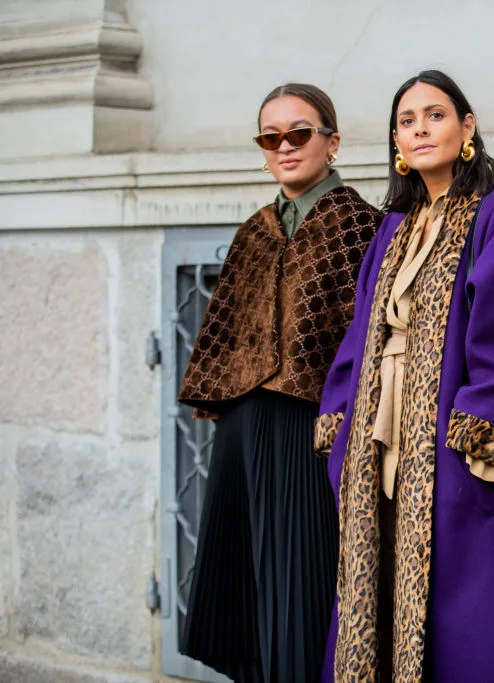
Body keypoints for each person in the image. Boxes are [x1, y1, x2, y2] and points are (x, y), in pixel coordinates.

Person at [316, 70, 494, 683]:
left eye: (435, 116)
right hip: (381, 440)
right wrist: (343, 427)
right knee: (382, 587)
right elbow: (362, 335)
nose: (420, 130)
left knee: (463, 605)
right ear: (395, 143)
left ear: (467, 128)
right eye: (407, 121)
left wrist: (469, 435)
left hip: (453, 445)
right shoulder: (393, 227)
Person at [177, 83, 382, 682]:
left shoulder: (361, 226)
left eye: (299, 133)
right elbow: (226, 331)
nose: (285, 147)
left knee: (305, 575)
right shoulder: (255, 230)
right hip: (243, 424)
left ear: (332, 141)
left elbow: (367, 334)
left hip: (313, 423)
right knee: (245, 579)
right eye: (272, 137)